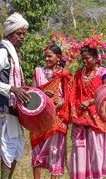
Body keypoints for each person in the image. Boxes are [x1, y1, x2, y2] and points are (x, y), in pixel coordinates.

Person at [0, 12, 31, 178]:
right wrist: (12, 89)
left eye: (24, 34)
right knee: (8, 150)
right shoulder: (2, 52)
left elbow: (18, 85)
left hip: (12, 109)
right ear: (9, 34)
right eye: (19, 34)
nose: (22, 37)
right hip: (3, 109)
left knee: (15, 149)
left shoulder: (13, 54)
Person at [69, 41, 106, 179]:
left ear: (95, 57)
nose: (85, 61)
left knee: (95, 150)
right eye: (83, 59)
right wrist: (74, 114)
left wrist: (91, 101)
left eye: (87, 58)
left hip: (96, 118)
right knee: (80, 152)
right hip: (80, 118)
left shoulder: (103, 73)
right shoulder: (79, 73)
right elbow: (73, 94)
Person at [31, 42, 72, 179]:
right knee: (37, 147)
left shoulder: (64, 74)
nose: (47, 59)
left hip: (58, 116)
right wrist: (42, 93)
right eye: (45, 57)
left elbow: (68, 96)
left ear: (58, 57)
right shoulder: (38, 72)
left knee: (55, 150)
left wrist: (60, 103)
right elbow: (32, 93)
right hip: (39, 116)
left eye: (50, 56)